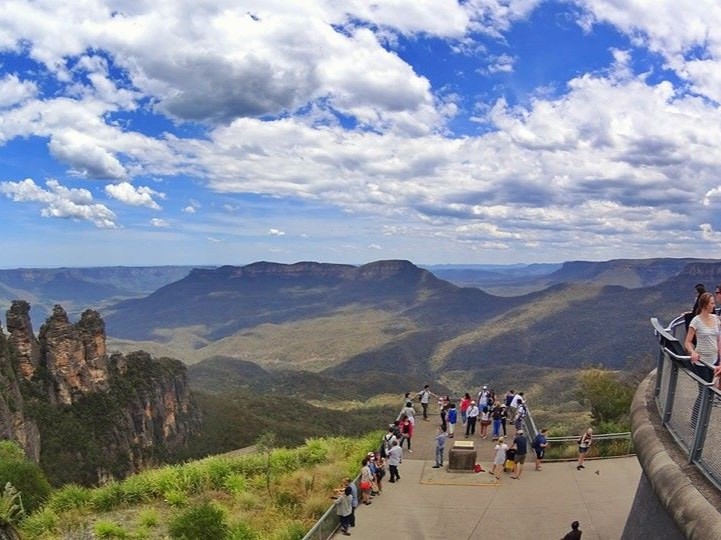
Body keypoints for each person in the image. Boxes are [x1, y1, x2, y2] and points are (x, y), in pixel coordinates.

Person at [685, 291, 719, 384]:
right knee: (704, 387)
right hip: (701, 360)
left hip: (715, 359)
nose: (714, 306)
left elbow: (719, 339)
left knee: (711, 386)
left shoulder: (716, 319)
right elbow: (687, 342)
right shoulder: (696, 321)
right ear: (705, 305)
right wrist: (692, 352)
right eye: (712, 303)